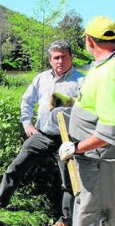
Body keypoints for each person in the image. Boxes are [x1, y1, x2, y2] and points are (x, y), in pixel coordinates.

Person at [0, 40, 84, 226]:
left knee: (68, 181)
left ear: (71, 58)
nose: (60, 61)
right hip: (41, 135)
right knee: (16, 167)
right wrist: (27, 123)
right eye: (56, 57)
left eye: (64, 57)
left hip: (67, 139)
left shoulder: (81, 81)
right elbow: (26, 101)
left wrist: (65, 101)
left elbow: (88, 107)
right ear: (50, 60)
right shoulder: (41, 78)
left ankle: (65, 220)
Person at [59, 16, 115, 225]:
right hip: (92, 160)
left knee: (92, 215)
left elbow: (109, 132)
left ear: (90, 41)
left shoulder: (110, 73)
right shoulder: (102, 66)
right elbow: (98, 104)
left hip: (99, 162)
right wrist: (69, 101)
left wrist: (76, 148)